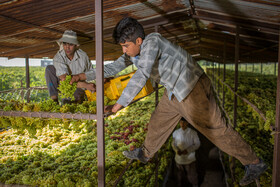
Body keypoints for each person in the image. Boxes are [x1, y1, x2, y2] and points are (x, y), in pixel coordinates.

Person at [69, 17, 267, 186]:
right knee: (158, 121)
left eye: (125, 45)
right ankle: (146, 153)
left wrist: (118, 105)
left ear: (139, 40)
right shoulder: (134, 52)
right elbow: (112, 68)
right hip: (174, 91)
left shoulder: (153, 41)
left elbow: (142, 74)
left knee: (215, 129)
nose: (124, 50)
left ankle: (254, 162)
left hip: (191, 87)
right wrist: (81, 76)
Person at [45, 30, 95, 104]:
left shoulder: (83, 56)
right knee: (49, 69)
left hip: (81, 88)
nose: (67, 47)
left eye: (71, 44)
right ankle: (54, 101)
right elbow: (65, 80)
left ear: (76, 45)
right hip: (67, 86)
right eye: (65, 44)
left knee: (76, 104)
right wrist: (85, 85)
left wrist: (98, 80)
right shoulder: (58, 57)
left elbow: (91, 73)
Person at [172, 118, 200, 187]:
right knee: (179, 176)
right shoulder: (176, 133)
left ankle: (195, 185)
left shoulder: (192, 132)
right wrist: (176, 150)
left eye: (184, 122)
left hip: (190, 159)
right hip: (179, 159)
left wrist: (187, 150)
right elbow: (173, 144)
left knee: (192, 175)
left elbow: (197, 144)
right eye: (181, 122)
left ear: (187, 123)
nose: (182, 124)